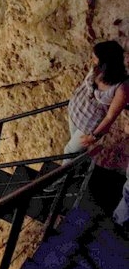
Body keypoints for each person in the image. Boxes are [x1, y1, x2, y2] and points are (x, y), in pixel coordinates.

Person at [44, 40, 129, 192]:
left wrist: (94, 136)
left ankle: (61, 179)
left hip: (89, 125)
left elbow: (110, 117)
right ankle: (77, 166)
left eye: (95, 57)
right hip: (76, 111)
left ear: (106, 62)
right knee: (76, 151)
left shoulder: (121, 87)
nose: (92, 60)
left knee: (69, 149)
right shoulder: (97, 70)